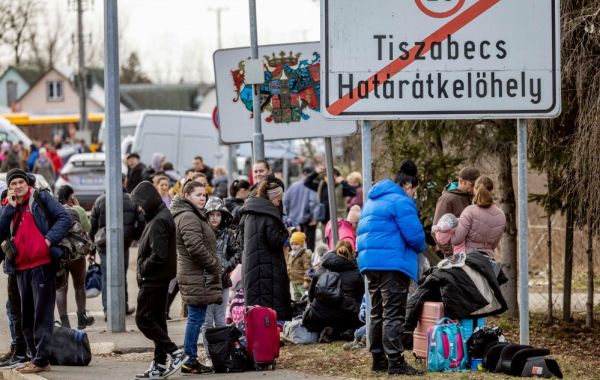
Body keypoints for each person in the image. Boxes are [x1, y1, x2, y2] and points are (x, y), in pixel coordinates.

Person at [356, 160, 426, 376]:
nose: (414, 194)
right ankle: (395, 362)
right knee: (393, 313)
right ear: (408, 186)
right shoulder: (401, 201)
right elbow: (415, 238)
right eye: (414, 190)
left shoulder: (372, 200)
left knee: (376, 312)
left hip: (370, 263)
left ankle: (378, 360)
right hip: (392, 265)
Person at [0, 168, 71, 374]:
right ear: (10, 187)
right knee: (26, 314)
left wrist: (47, 240)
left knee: (42, 313)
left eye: (21, 182)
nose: (18, 186)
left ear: (27, 184)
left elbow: (64, 218)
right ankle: (33, 356)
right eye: (13, 184)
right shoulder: (8, 205)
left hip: (42, 264)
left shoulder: (40, 197)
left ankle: (41, 360)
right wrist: (9, 209)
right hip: (20, 267)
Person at [130, 181, 187, 379]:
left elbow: (159, 255)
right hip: (158, 278)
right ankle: (160, 363)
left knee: (143, 319)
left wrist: (144, 269)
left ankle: (174, 352)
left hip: (154, 279)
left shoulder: (160, 219)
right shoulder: (157, 216)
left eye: (140, 203)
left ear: (148, 200)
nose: (139, 207)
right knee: (157, 321)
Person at [170, 181, 221, 374]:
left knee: (196, 317)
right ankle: (189, 359)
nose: (202, 198)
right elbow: (195, 247)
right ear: (187, 196)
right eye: (198, 194)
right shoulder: (188, 216)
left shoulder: (190, 215)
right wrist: (213, 263)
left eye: (204, 195)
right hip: (196, 274)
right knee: (195, 318)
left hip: (196, 273)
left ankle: (189, 358)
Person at [89, 176, 144, 318]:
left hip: (103, 244)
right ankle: (122, 306)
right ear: (124, 182)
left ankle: (108, 309)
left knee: (107, 277)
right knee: (121, 274)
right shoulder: (132, 199)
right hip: (123, 243)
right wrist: (135, 237)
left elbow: (92, 227)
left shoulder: (100, 200)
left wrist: (91, 249)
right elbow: (141, 221)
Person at [239, 179, 291, 321]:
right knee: (272, 302)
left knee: (257, 306)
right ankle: (275, 329)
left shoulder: (248, 212)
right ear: (272, 198)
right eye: (278, 200)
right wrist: (286, 232)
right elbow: (274, 241)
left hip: (251, 265)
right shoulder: (270, 215)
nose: (279, 203)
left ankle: (259, 332)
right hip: (269, 268)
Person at [201, 197, 241, 366]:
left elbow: (238, 253)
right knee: (207, 320)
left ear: (223, 216)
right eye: (212, 214)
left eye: (218, 214)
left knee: (221, 319)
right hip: (206, 282)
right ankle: (209, 354)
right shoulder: (201, 233)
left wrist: (226, 265)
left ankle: (222, 353)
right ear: (207, 215)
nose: (215, 218)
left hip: (223, 281)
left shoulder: (228, 235)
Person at [302, 240, 364, 342]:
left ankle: (330, 330)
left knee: (329, 315)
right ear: (352, 253)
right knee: (358, 313)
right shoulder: (356, 273)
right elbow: (360, 298)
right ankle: (347, 331)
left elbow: (311, 295)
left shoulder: (321, 270)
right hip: (345, 316)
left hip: (318, 315)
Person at [55, 185, 94, 329]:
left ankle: (65, 324)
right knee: (79, 285)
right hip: (76, 254)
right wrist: (78, 208)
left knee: (60, 288)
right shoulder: (77, 210)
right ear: (71, 197)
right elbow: (87, 228)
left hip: (60, 254)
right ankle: (82, 317)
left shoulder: (53, 210)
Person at [449, 176, 506, 258]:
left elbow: (456, 240)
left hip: (467, 258)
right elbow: (495, 244)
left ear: (475, 189)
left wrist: (449, 232)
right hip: (488, 260)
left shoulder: (469, 211)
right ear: (491, 190)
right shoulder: (501, 214)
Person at [432, 167, 480, 256]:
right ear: (461, 181)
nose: (474, 188)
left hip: (473, 255)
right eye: (471, 185)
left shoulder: (473, 197)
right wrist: (452, 253)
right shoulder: (446, 199)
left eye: (476, 185)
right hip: (456, 258)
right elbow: (436, 231)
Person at [284, 166, 317, 251]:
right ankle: (309, 260)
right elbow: (313, 202)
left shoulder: (293, 186)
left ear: (302, 174)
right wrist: (314, 217)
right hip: (308, 219)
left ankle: (294, 261)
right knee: (309, 244)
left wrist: (288, 215)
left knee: (294, 242)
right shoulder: (311, 186)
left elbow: (286, 201)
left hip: (293, 218)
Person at [286, 231, 312, 301]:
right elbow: (289, 266)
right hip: (294, 281)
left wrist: (307, 280)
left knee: (305, 297)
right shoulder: (290, 254)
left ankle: (306, 310)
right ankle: (298, 310)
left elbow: (308, 269)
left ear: (301, 244)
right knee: (296, 297)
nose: (294, 246)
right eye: (292, 244)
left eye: (296, 244)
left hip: (302, 282)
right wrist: (288, 276)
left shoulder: (304, 255)